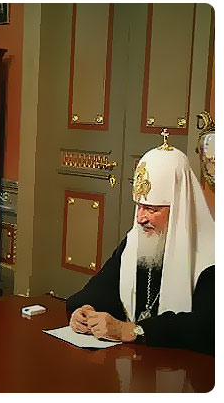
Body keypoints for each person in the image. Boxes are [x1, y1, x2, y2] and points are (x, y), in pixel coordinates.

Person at [66, 138, 215, 355]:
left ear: (179, 211)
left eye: (152, 209)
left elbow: (207, 328)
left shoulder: (210, 257)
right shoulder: (137, 241)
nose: (140, 219)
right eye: (139, 207)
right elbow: (99, 289)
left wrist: (135, 330)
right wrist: (84, 310)